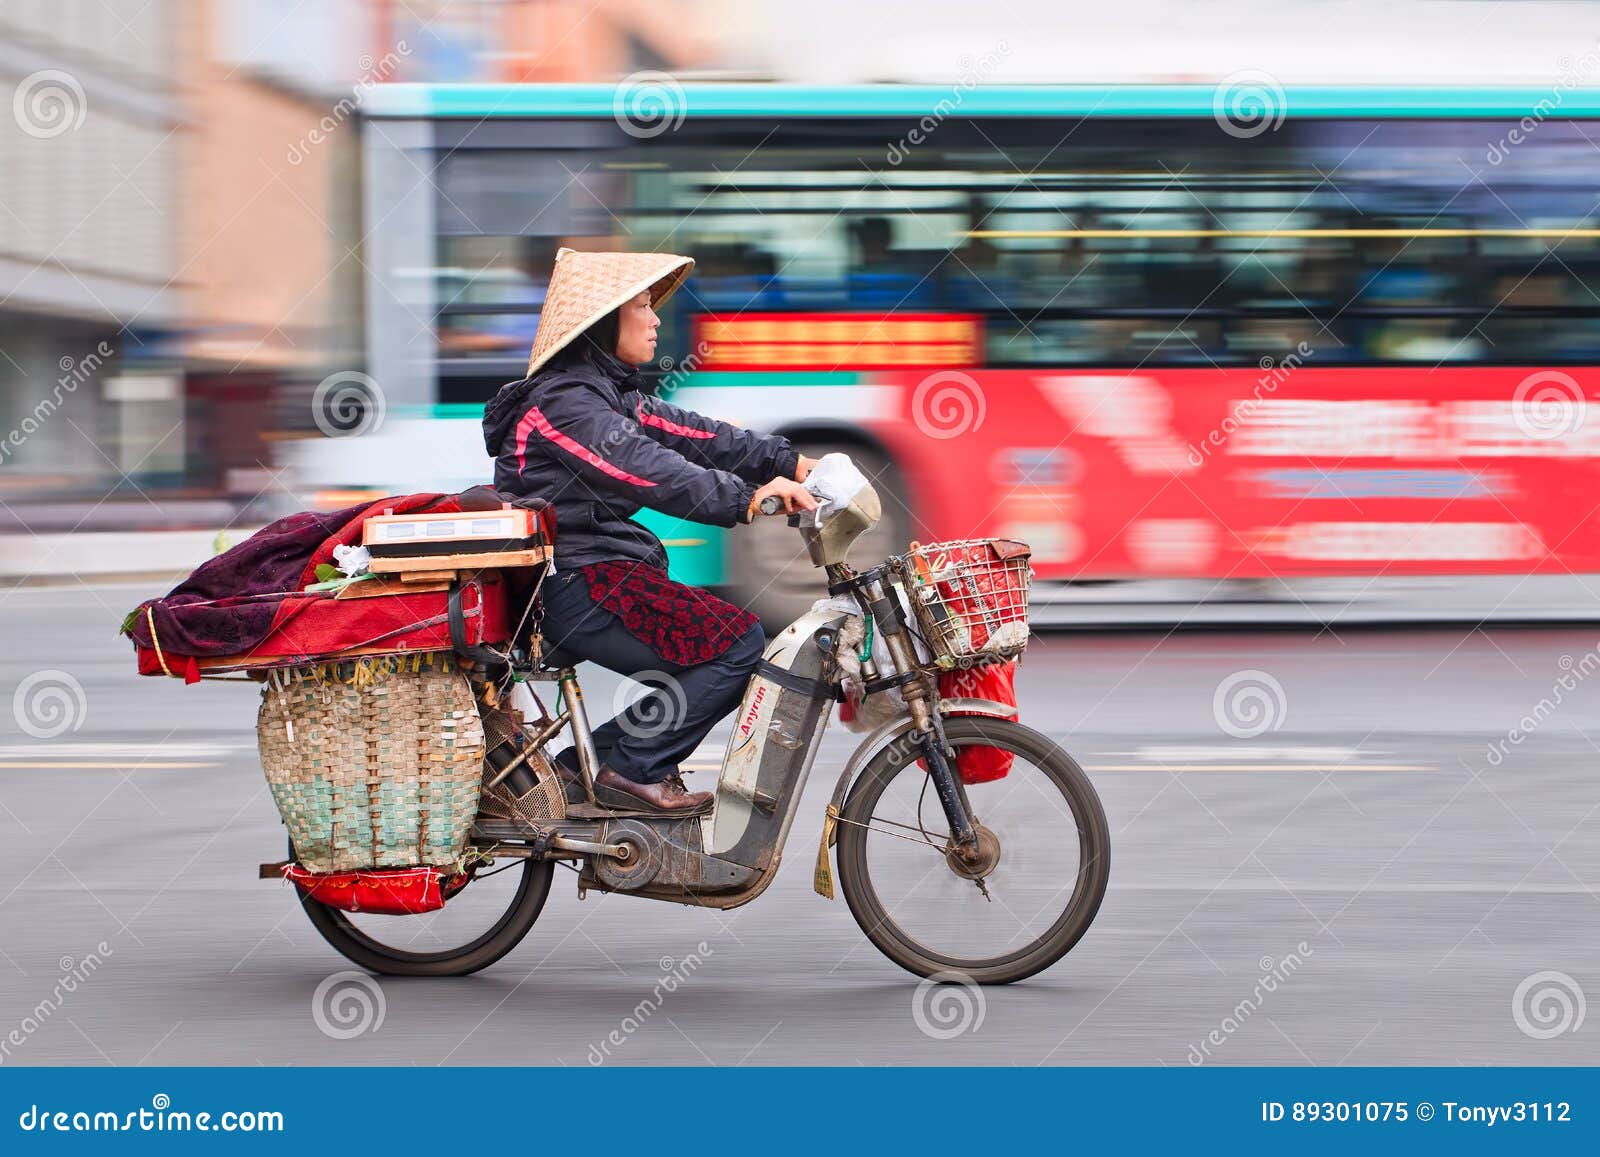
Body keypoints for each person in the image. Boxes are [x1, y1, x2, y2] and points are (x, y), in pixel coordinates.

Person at [482, 248, 817, 813]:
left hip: (604, 574)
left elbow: (698, 436)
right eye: (642, 306)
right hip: (576, 584)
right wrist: (747, 500)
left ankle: (579, 770)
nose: (656, 318)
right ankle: (628, 769)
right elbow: (645, 469)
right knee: (737, 643)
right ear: (603, 322)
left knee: (724, 645)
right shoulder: (562, 404)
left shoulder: (609, 397)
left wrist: (785, 462)